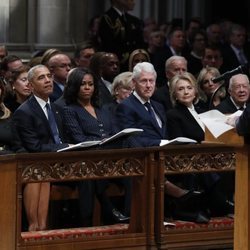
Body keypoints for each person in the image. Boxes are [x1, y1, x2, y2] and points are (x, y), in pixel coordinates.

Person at [114, 62, 208, 223]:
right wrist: (161, 143)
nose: (149, 85)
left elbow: (165, 132)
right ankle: (180, 202)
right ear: (134, 83)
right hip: (140, 158)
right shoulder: (126, 106)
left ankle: (189, 209)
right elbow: (131, 137)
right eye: (144, 81)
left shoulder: (157, 105)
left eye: (152, 81)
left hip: (164, 155)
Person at [62, 67, 130, 226]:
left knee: (132, 173)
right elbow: (79, 138)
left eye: (90, 84)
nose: (87, 88)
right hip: (87, 158)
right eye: (83, 84)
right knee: (91, 174)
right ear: (74, 87)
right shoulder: (70, 110)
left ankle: (129, 216)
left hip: (110, 158)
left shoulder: (103, 109)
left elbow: (114, 132)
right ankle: (104, 215)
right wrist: (101, 143)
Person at [166, 72, 234, 219]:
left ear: (195, 91)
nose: (186, 92)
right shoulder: (173, 114)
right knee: (209, 167)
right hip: (188, 158)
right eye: (181, 89)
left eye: (189, 88)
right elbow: (178, 141)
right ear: (174, 94)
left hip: (209, 155)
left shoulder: (203, 111)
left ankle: (226, 201)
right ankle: (222, 204)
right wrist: (200, 144)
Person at [12, 64, 69, 231]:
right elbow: (34, 147)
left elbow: (65, 135)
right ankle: (36, 228)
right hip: (38, 163)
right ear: (30, 85)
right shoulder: (25, 111)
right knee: (39, 174)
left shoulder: (58, 108)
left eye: (48, 76)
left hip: (63, 161)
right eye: (41, 78)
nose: (47, 80)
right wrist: (65, 146)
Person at [98, 0, 145, 71]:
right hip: (117, 64)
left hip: (132, 63)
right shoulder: (108, 18)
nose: (134, 2)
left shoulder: (133, 20)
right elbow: (108, 45)